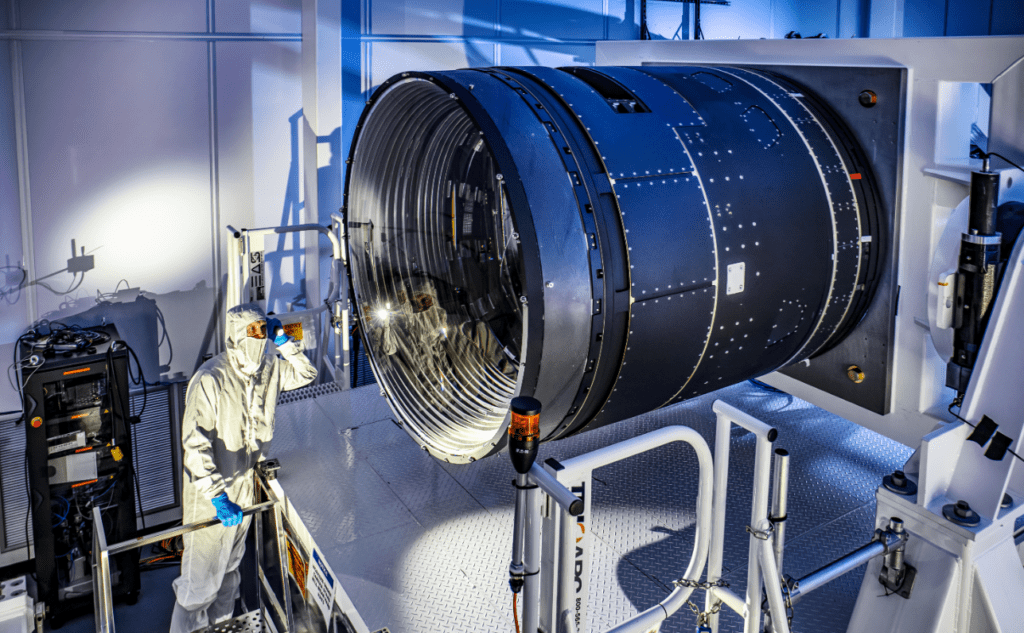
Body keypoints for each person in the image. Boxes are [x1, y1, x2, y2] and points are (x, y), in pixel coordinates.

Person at [170, 303, 317, 633]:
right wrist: (218, 496)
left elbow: (307, 374)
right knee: (198, 587)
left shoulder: (270, 368)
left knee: (231, 571)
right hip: (213, 492)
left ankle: (224, 627)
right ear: (234, 337)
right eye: (253, 332)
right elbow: (194, 445)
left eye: (263, 330)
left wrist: (284, 342)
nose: (260, 337)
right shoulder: (211, 379)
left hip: (245, 486)